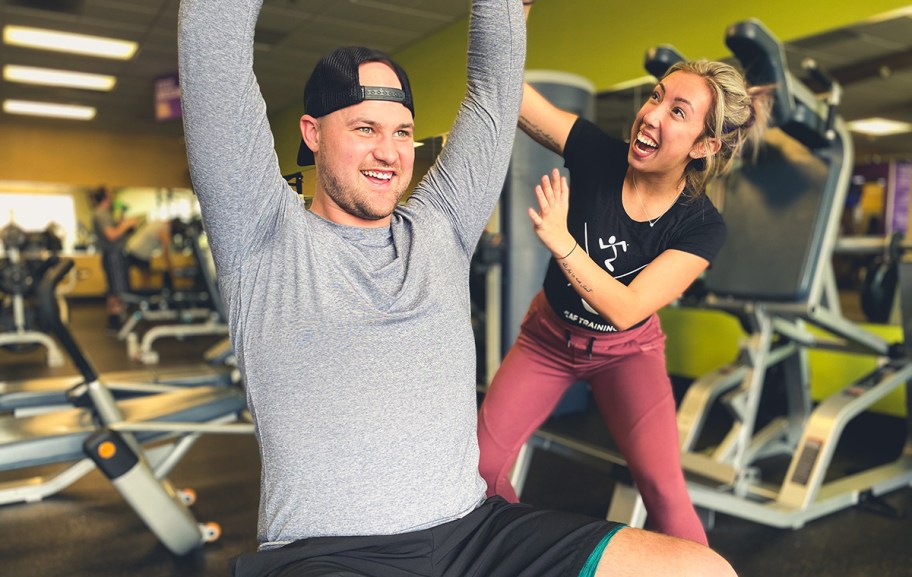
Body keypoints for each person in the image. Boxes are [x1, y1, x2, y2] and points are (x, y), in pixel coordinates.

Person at [178, 0, 736, 575]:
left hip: (476, 535)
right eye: (365, 128)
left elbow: (494, 94)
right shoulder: (261, 236)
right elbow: (211, 39)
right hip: (331, 554)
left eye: (402, 132)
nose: (389, 153)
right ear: (312, 133)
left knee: (704, 569)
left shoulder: (440, 226)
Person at [477, 5, 772, 547]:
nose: (652, 114)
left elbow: (627, 308)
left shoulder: (701, 226)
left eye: (678, 111)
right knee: (480, 467)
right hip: (547, 338)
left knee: (663, 492)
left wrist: (564, 242)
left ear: (704, 146)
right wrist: (504, 21)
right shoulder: (599, 155)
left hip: (627, 352)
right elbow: (517, 101)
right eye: (656, 96)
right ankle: (525, 557)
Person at [91, 185, 140, 330]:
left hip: (114, 255)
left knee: (115, 289)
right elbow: (111, 235)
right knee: (117, 290)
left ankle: (115, 320)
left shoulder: (105, 213)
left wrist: (121, 223)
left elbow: (113, 231)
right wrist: (126, 224)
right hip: (113, 256)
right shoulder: (100, 214)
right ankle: (115, 321)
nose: (112, 197)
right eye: (110, 195)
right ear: (105, 197)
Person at [125, 219, 173, 290]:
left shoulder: (157, 222)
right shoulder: (165, 230)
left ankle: (138, 293)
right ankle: (142, 295)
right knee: (146, 276)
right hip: (140, 253)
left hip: (130, 247)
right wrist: (170, 268)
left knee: (143, 274)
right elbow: (166, 251)